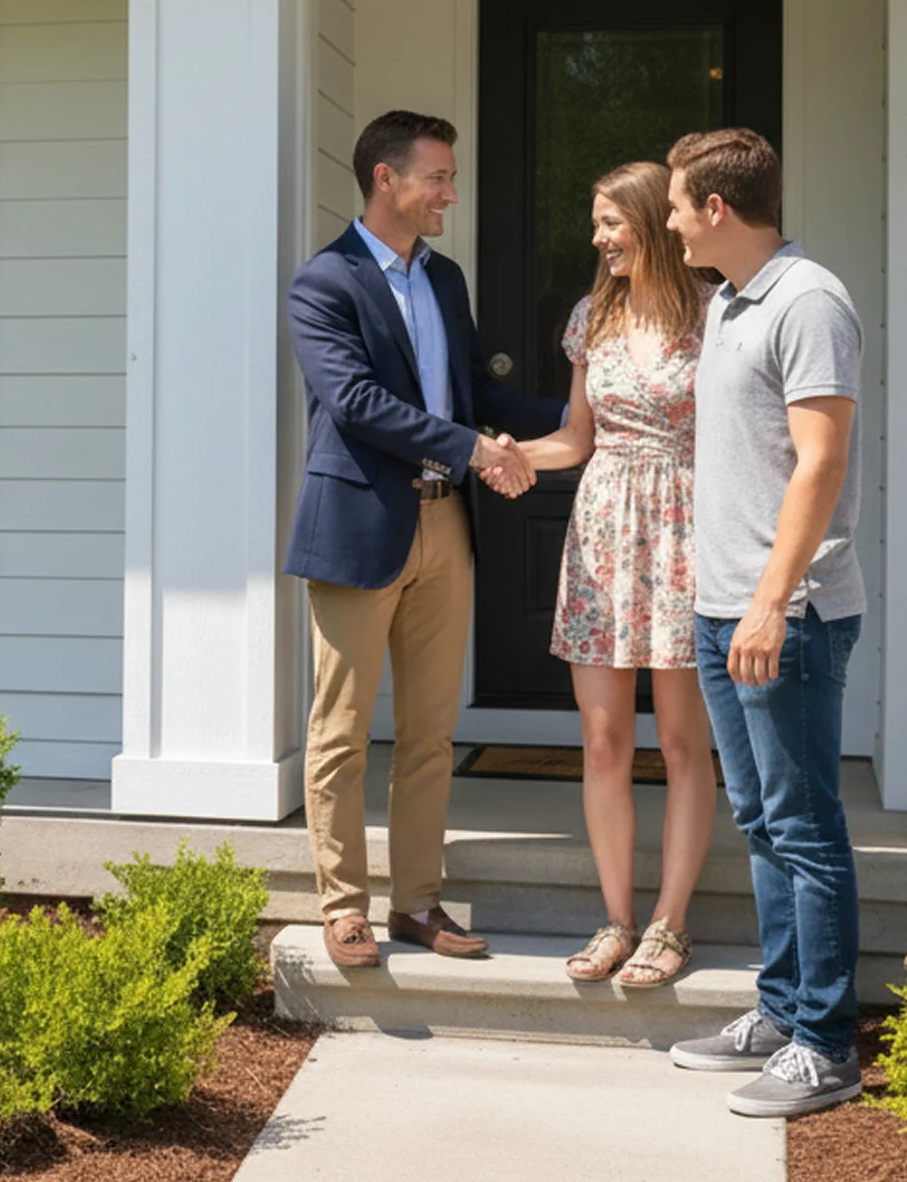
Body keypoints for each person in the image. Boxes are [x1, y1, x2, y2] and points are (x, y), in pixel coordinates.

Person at [285, 110, 567, 971]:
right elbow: (358, 403)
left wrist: (584, 418)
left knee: (431, 732)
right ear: (386, 179)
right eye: (438, 177)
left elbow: (474, 391)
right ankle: (343, 908)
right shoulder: (323, 283)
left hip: (448, 525)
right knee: (339, 731)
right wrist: (475, 450)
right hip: (360, 529)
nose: (451, 192)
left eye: (450, 177)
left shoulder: (444, 279)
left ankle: (415, 904)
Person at [662, 128, 866, 1119]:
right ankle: (782, 1012)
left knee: (805, 827)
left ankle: (826, 1044)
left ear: (715, 209)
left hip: (785, 615)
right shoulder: (728, 301)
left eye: (673, 202)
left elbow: (820, 460)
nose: (665, 218)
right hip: (722, 610)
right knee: (760, 821)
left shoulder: (808, 299)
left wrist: (770, 599)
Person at [500, 161, 715, 989]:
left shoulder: (712, 315)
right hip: (602, 535)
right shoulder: (594, 316)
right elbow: (576, 438)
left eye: (609, 223)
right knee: (602, 740)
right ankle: (619, 919)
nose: (597, 238)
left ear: (652, 223)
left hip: (686, 531)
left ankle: (671, 925)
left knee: (685, 741)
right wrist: (511, 455)